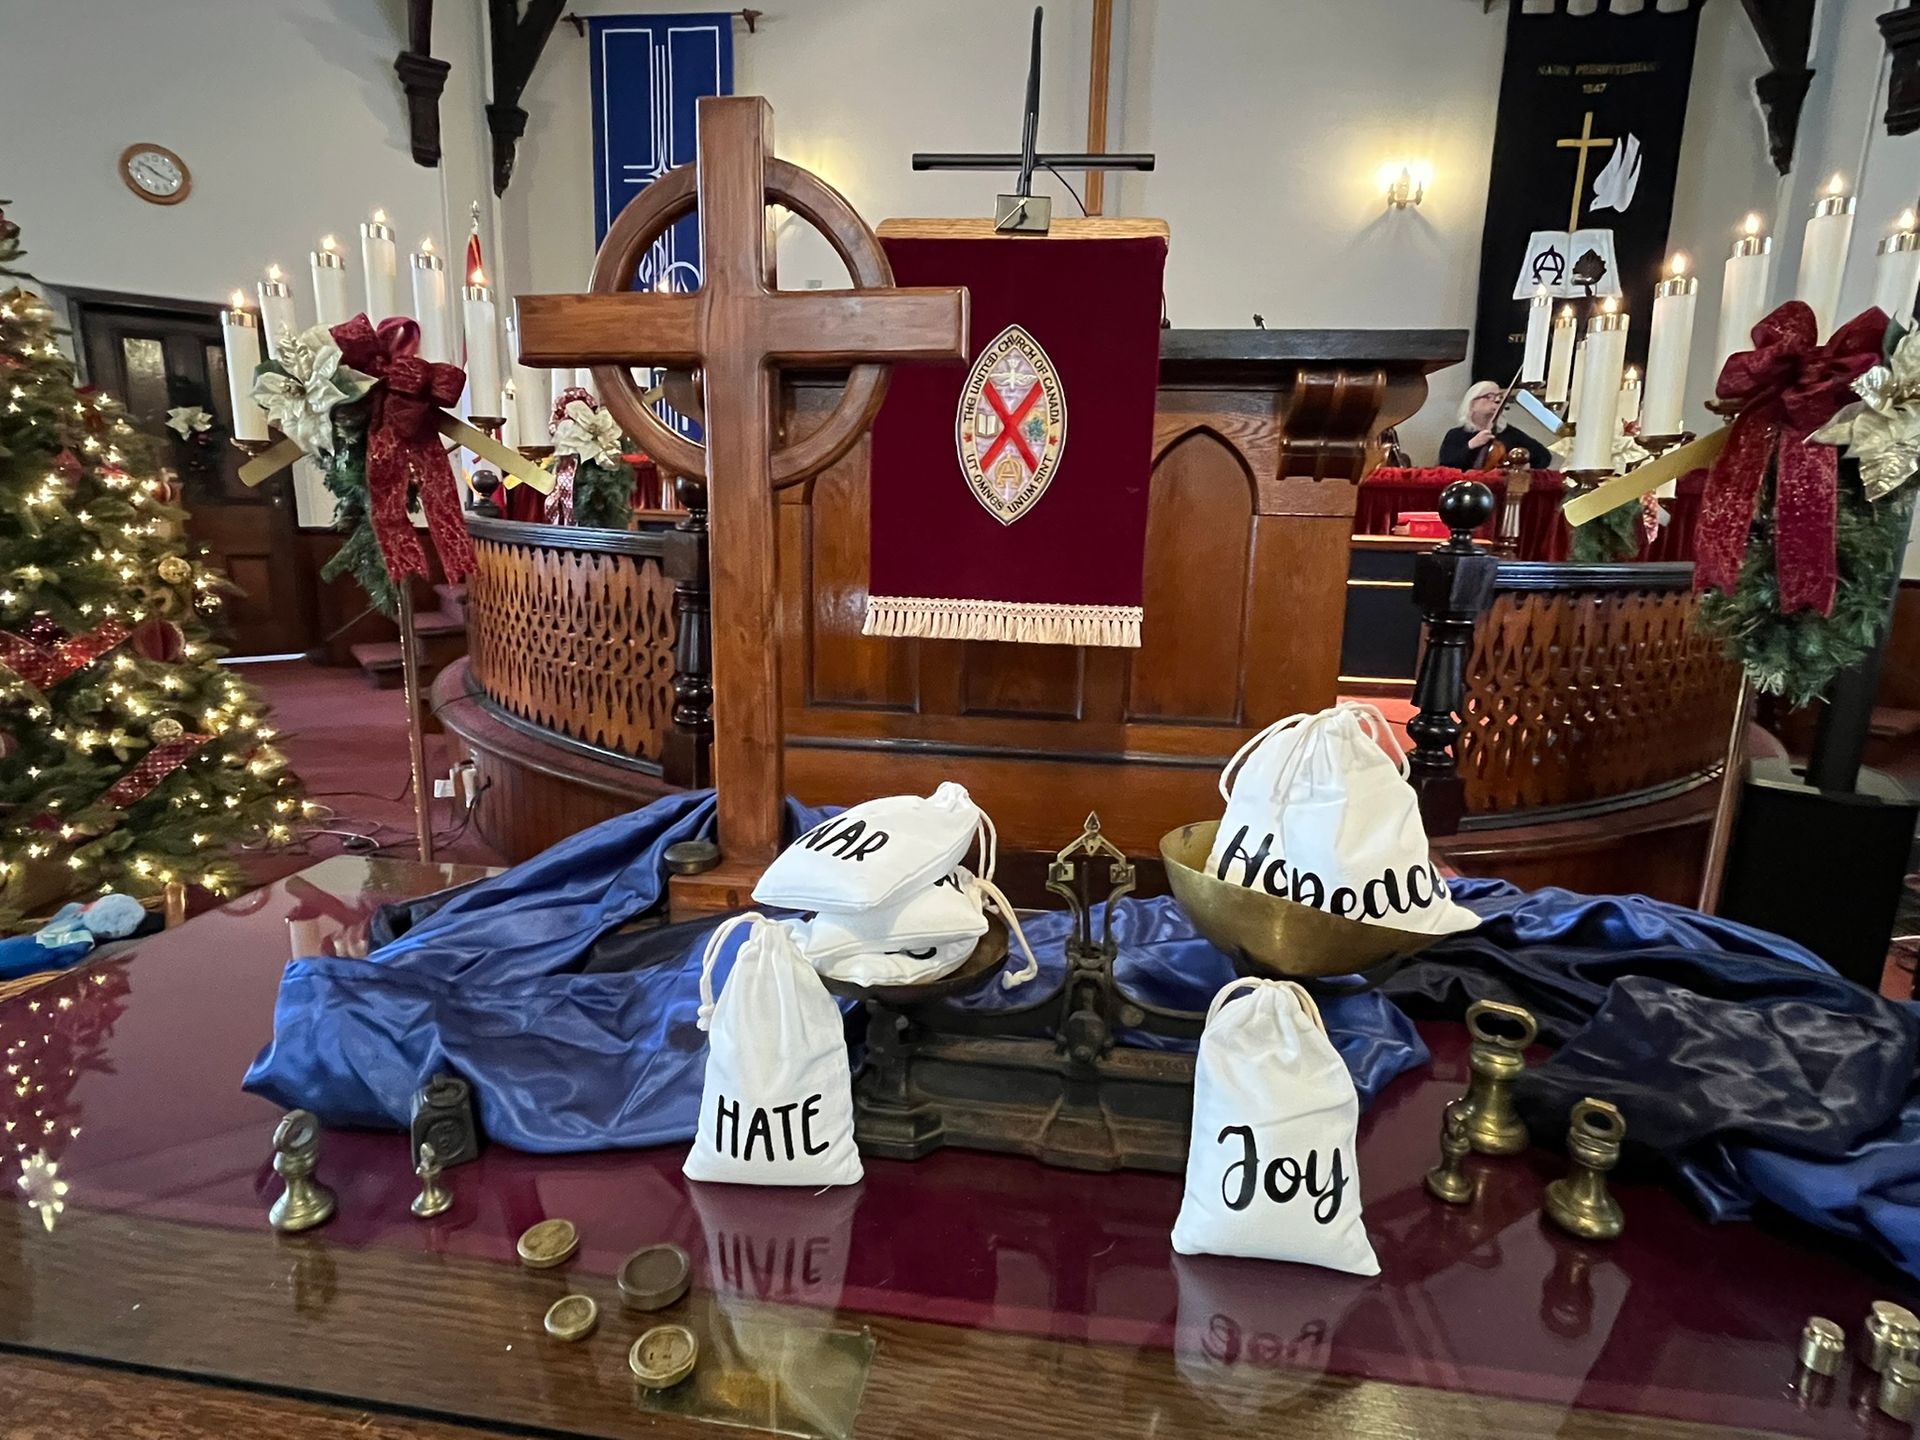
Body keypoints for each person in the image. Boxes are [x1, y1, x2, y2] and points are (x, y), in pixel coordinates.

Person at [1437, 381, 1536, 470]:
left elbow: (1542, 457)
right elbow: (1446, 465)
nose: (1497, 400)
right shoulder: (1456, 434)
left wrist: (1525, 465)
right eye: (1489, 396)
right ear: (1472, 404)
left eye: (1500, 397)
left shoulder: (1510, 433)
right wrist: (1471, 445)